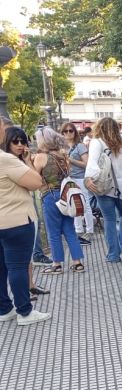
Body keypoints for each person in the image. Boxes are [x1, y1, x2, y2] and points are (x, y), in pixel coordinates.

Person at [0, 128, 51, 325]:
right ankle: (25, 311)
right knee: (17, 267)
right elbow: (35, 182)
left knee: (2, 268)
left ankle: (4, 309)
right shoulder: (6, 159)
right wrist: (33, 165)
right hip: (15, 221)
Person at [32, 127, 85, 274]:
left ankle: (57, 264)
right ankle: (77, 262)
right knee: (69, 229)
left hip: (50, 196)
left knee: (53, 232)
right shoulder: (63, 155)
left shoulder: (41, 157)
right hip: (65, 195)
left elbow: (34, 177)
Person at [85, 117, 122, 263]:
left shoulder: (97, 142)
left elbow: (93, 163)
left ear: (99, 128)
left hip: (105, 187)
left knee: (109, 219)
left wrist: (89, 178)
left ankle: (114, 254)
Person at [61, 122, 94, 245]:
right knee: (73, 204)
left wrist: (71, 160)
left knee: (85, 204)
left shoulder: (80, 146)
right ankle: (78, 231)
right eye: (65, 131)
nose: (68, 133)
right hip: (69, 179)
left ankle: (89, 231)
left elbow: (86, 164)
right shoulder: (62, 147)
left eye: (71, 130)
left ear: (75, 132)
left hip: (80, 178)